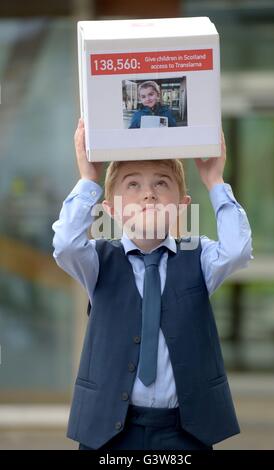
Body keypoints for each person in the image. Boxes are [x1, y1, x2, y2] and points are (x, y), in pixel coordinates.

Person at [52, 118, 253, 450]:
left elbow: (237, 251)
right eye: (132, 185)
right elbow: (67, 245)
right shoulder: (98, 261)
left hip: (184, 430)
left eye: (162, 184)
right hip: (109, 430)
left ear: (182, 206)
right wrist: (89, 178)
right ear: (111, 209)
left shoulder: (198, 256)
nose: (148, 194)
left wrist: (214, 181)